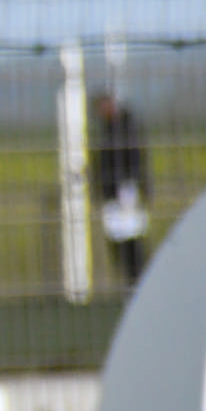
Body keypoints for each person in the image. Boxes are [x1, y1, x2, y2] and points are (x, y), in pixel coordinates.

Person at [91, 90, 150, 289]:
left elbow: (134, 161)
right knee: (118, 238)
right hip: (113, 190)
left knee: (131, 238)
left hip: (125, 190)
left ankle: (137, 280)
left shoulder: (125, 128)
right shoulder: (109, 128)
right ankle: (131, 281)